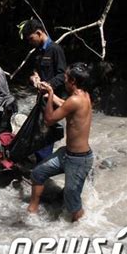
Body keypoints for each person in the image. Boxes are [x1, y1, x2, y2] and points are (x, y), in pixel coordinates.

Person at [27, 63, 93, 222]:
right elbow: (66, 105)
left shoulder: (75, 100)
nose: (63, 81)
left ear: (73, 81)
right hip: (67, 154)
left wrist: (50, 96)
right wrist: (50, 92)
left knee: (72, 200)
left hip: (79, 160)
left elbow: (49, 120)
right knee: (38, 173)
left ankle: (81, 226)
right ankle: (32, 209)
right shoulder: (83, 95)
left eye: (65, 79)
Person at [22, 19, 67, 162]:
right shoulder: (37, 51)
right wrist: (34, 77)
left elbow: (63, 75)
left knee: (45, 134)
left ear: (39, 33)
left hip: (53, 100)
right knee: (39, 134)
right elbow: (34, 70)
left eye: (31, 38)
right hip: (41, 98)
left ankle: (44, 169)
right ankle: (41, 166)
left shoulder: (55, 49)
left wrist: (48, 85)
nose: (30, 42)